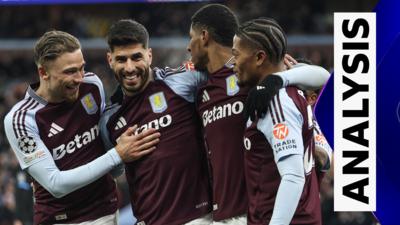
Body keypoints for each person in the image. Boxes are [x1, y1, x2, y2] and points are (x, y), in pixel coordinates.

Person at [186, 4, 330, 224]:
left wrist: (279, 79)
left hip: (272, 213)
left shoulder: (266, 87)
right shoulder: (202, 88)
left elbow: (322, 77)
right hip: (233, 212)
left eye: (191, 37)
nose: (187, 46)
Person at [3, 30, 160, 225]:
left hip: (108, 212)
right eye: (69, 71)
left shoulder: (92, 85)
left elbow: (106, 148)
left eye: (81, 68)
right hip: (62, 220)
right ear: (43, 72)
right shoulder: (21, 119)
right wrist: (118, 155)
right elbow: (55, 184)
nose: (79, 78)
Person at [100, 19, 212, 225]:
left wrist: (282, 72)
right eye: (121, 59)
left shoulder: (181, 81)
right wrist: (120, 154)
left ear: (149, 55)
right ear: (110, 60)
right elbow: (115, 172)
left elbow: (230, 66)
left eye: (136, 57)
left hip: (198, 218)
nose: (130, 67)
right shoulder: (109, 120)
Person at [232, 17, 322, 225]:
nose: (233, 61)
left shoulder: (276, 102)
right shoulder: (293, 86)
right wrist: (280, 77)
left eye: (236, 54)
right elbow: (324, 76)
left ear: (259, 57)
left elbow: (293, 177)